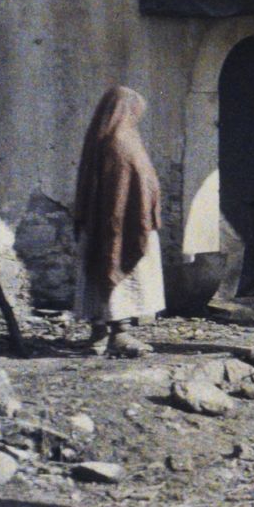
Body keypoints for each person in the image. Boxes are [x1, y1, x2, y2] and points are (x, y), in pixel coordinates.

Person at [71, 86, 165, 358]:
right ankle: (119, 333)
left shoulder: (99, 139)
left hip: (102, 224)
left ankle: (98, 333)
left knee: (100, 267)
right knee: (120, 266)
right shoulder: (122, 140)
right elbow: (136, 184)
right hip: (125, 224)